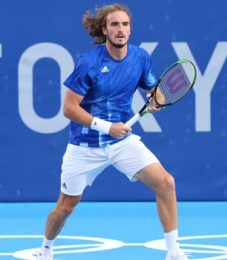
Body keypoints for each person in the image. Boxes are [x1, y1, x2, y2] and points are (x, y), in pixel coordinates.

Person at [36, 3, 188, 260]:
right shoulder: (89, 63)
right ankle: (46, 249)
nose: (120, 29)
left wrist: (155, 99)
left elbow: (154, 90)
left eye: (125, 24)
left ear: (131, 29)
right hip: (84, 146)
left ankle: (173, 252)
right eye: (114, 24)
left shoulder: (140, 57)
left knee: (165, 183)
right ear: (105, 30)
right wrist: (106, 126)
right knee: (65, 207)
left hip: (122, 144)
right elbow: (69, 108)